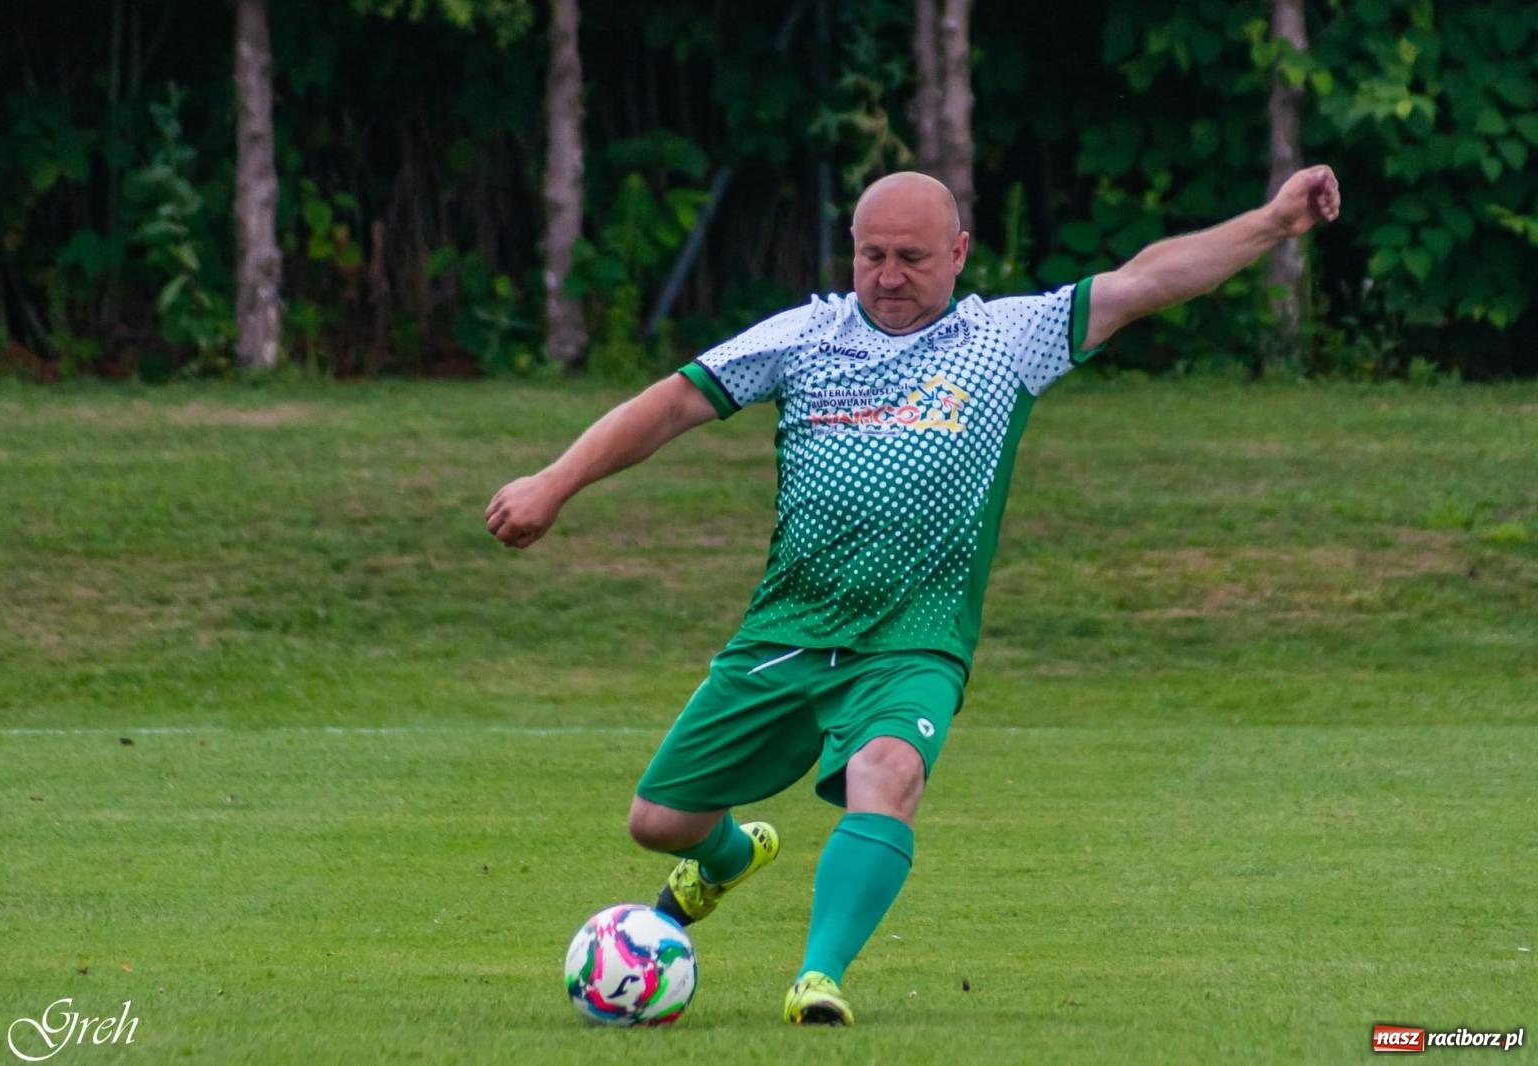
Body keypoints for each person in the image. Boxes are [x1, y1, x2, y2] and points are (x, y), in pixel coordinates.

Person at [485, 166, 1341, 1026]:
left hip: (914, 635)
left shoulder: (1009, 337)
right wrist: (555, 482)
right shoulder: (805, 335)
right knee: (659, 821)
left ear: (960, 253)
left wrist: (1271, 221)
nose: (889, 276)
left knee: (885, 772)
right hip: (788, 627)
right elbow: (671, 404)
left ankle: (817, 979)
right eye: (871, 255)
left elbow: (1148, 280)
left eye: (912, 258)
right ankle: (727, 856)